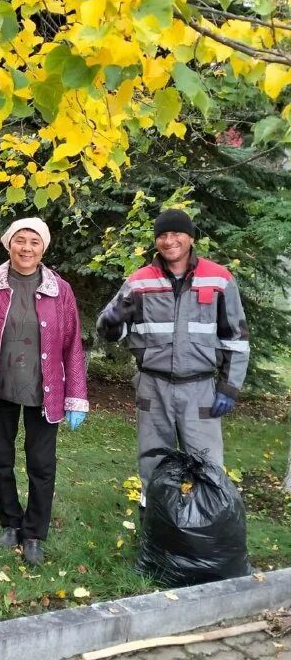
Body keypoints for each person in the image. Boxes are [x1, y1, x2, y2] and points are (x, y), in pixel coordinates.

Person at [96, 208, 249, 518]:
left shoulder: (219, 279)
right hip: (153, 387)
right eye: (162, 235)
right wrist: (110, 322)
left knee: (207, 462)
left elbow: (234, 336)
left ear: (190, 238)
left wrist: (229, 387)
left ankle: (206, 530)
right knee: (153, 461)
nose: (169, 241)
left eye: (176, 233)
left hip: (200, 389)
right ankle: (155, 527)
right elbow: (113, 330)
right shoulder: (139, 282)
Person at [0, 218, 89, 564]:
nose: (26, 248)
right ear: (8, 244)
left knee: (41, 464)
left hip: (44, 391)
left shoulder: (60, 291)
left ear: (43, 248)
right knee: (1, 459)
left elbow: (73, 344)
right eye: (20, 240)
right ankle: (10, 522)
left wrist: (76, 396)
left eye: (34, 242)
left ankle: (33, 533)